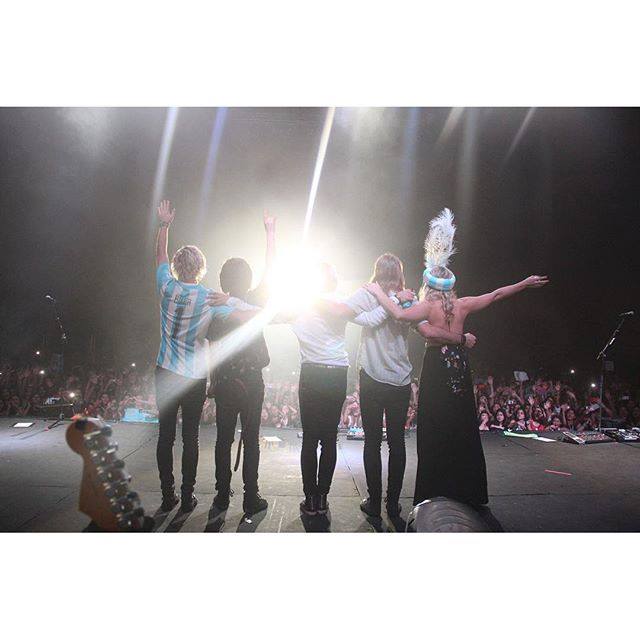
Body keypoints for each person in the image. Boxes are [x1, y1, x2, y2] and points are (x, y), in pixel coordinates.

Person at [366, 208, 548, 507]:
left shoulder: (427, 307)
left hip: (437, 367)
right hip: (460, 367)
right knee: (462, 425)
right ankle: (466, 490)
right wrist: (523, 283)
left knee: (434, 426)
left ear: (429, 284)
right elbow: (496, 295)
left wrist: (378, 293)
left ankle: (434, 488)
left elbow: (398, 313)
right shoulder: (462, 305)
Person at [317, 253, 475, 519]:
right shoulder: (409, 298)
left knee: (372, 444)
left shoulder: (370, 294)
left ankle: (374, 502)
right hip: (400, 380)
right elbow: (428, 332)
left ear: (376, 271)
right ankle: (392, 504)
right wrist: (460, 338)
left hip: (372, 377)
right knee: (396, 444)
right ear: (399, 273)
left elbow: (345, 312)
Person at [154, 200, 257, 513]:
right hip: (193, 377)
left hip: (165, 370)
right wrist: (235, 301)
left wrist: (164, 225)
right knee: (191, 438)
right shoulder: (209, 297)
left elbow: (159, 255)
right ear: (200, 268)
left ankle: (167, 495)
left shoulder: (165, 286)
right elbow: (245, 317)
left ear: (176, 266)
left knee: (165, 436)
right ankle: (187, 498)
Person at [205, 213, 276, 517]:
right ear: (248, 279)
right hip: (251, 380)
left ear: (223, 281)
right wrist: (270, 233)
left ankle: (222, 495)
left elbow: (211, 347)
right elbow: (271, 270)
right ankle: (251, 495)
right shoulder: (256, 300)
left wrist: (212, 380)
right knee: (251, 440)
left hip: (225, 380)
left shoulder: (216, 307)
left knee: (223, 440)